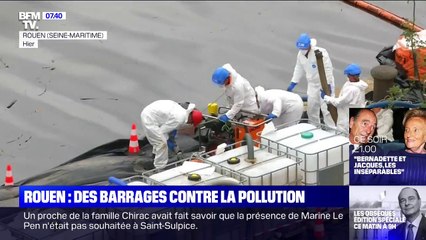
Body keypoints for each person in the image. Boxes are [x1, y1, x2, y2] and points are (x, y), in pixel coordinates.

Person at [287, 33, 335, 128]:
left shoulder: (320, 52)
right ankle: (315, 127)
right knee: (312, 108)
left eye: (304, 48)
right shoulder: (300, 54)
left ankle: (332, 129)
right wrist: (293, 82)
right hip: (312, 84)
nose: (303, 50)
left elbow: (328, 69)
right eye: (301, 48)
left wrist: (327, 86)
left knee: (326, 109)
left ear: (309, 45)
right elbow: (299, 68)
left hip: (324, 84)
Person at [140, 100, 203, 169]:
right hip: (149, 118)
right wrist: (170, 144)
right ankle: (159, 168)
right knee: (161, 143)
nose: (190, 124)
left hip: (153, 112)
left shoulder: (182, 110)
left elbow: (171, 131)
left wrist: (174, 146)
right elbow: (162, 132)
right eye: (191, 123)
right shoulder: (179, 119)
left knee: (160, 141)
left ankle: (155, 156)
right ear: (191, 119)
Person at [320, 64, 368, 134]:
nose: (347, 77)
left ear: (351, 76)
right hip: (355, 114)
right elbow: (343, 96)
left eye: (348, 75)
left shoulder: (352, 89)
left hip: (347, 117)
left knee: (343, 134)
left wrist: (326, 97)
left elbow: (339, 102)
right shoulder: (359, 84)